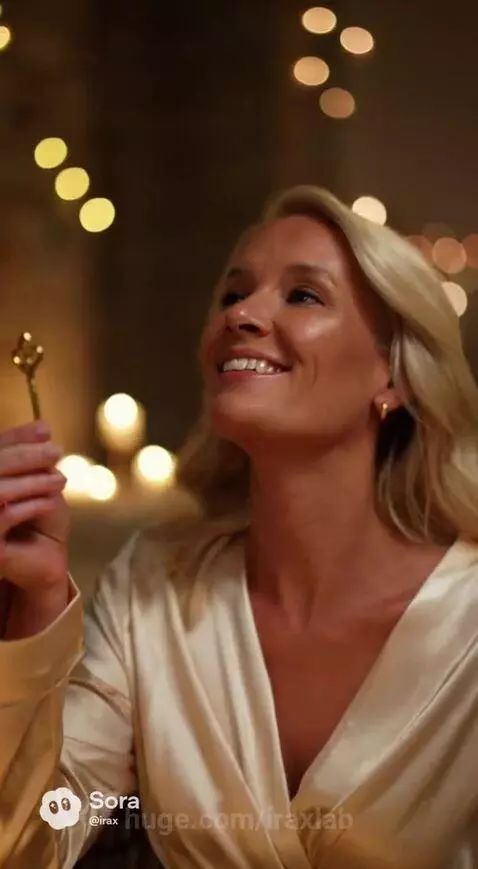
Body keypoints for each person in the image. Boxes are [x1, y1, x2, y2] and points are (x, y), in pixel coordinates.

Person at [0, 185, 477, 869]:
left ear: (393, 375)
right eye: (232, 294)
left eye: (303, 295)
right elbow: (33, 842)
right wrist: (34, 608)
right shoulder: (151, 588)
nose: (242, 314)